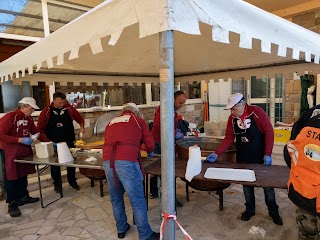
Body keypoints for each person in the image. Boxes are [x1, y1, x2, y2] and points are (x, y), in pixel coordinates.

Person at [206, 93, 283, 225]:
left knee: (267, 186)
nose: (231, 112)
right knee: (247, 186)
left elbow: (269, 132)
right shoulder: (232, 119)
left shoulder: (257, 112)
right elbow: (229, 138)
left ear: (241, 105)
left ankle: (273, 211)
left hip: (260, 156)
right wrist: (216, 153)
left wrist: (268, 153)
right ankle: (250, 210)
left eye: (233, 109)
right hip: (243, 157)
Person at [103, 103, 160, 240]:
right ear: (136, 112)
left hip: (108, 161)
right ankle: (145, 235)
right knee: (137, 200)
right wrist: (149, 151)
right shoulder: (138, 120)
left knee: (116, 198)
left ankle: (121, 229)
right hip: (127, 161)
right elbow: (150, 144)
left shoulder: (111, 122)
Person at [0, 97, 44, 217]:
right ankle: (12, 203)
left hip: (23, 151)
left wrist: (51, 142)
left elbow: (36, 133)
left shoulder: (28, 118)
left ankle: (23, 196)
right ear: (23, 107)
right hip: (10, 151)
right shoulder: (10, 117)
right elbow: (1, 134)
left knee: (23, 174)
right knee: (11, 176)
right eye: (31, 108)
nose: (33, 111)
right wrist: (20, 139)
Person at [284, 104, 320, 239]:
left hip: (301, 193)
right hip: (306, 197)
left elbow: (290, 151)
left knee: (305, 235)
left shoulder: (311, 114)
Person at [37, 92, 85, 193]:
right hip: (54, 142)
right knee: (55, 166)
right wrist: (48, 142)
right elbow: (40, 130)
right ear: (53, 101)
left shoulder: (69, 108)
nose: (61, 105)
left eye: (63, 102)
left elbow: (79, 118)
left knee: (71, 164)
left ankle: (72, 182)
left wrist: (81, 126)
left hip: (69, 141)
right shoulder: (46, 111)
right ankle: (57, 185)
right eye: (59, 103)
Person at [149, 91, 186, 203]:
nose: (181, 105)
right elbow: (159, 125)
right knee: (160, 169)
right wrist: (176, 133)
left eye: (183, 103)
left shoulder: (173, 111)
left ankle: (156, 191)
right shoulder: (165, 108)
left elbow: (171, 125)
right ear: (173, 99)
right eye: (179, 102)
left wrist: (176, 130)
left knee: (160, 168)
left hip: (165, 141)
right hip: (159, 142)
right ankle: (164, 196)